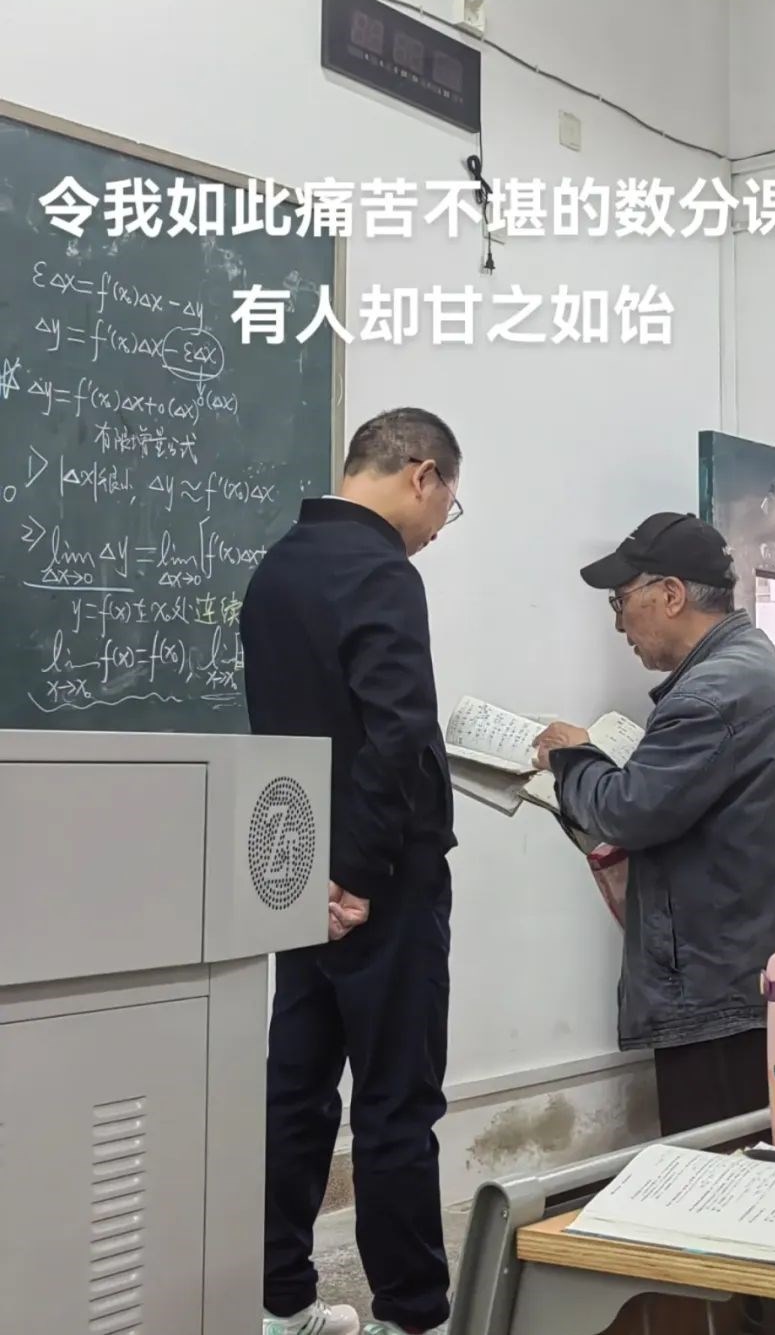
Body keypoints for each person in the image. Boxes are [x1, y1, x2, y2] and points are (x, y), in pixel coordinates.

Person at [241, 408, 463, 1335]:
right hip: (383, 881)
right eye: (449, 503)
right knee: (395, 1102)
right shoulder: (382, 571)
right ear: (421, 474)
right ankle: (410, 1316)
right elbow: (397, 734)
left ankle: (282, 1303)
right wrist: (361, 877)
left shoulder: (277, 567)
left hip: (295, 876)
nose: (441, 524)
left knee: (295, 1090)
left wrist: (312, 876)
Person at [533, 512, 775, 1136]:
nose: (619, 625)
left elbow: (626, 810)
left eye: (621, 601)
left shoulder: (711, 693)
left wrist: (572, 759)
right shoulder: (751, 666)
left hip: (719, 989)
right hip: (751, 977)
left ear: (671, 594)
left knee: (722, 1172)